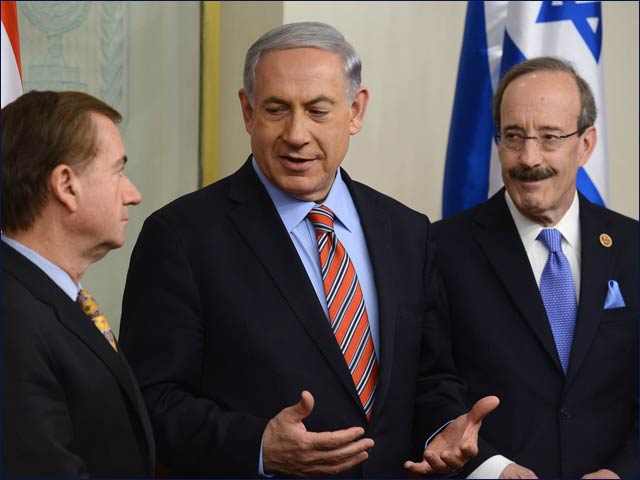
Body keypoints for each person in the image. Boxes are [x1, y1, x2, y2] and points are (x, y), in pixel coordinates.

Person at [119, 21, 498, 477]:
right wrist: (258, 446)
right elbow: (149, 401)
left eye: (318, 111)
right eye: (277, 110)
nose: (296, 134)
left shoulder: (407, 231)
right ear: (247, 111)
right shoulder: (180, 237)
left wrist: (442, 426)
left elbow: (430, 376)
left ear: (356, 111)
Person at [432, 57, 638, 479]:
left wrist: (623, 472)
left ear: (586, 144)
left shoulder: (634, 247)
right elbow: (428, 382)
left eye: (549, 137)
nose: (529, 157)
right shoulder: (440, 249)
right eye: (514, 136)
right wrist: (492, 467)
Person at [1, 91, 154, 477]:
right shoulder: (11, 319)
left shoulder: (43, 298)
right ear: (67, 185)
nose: (133, 194)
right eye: (117, 171)